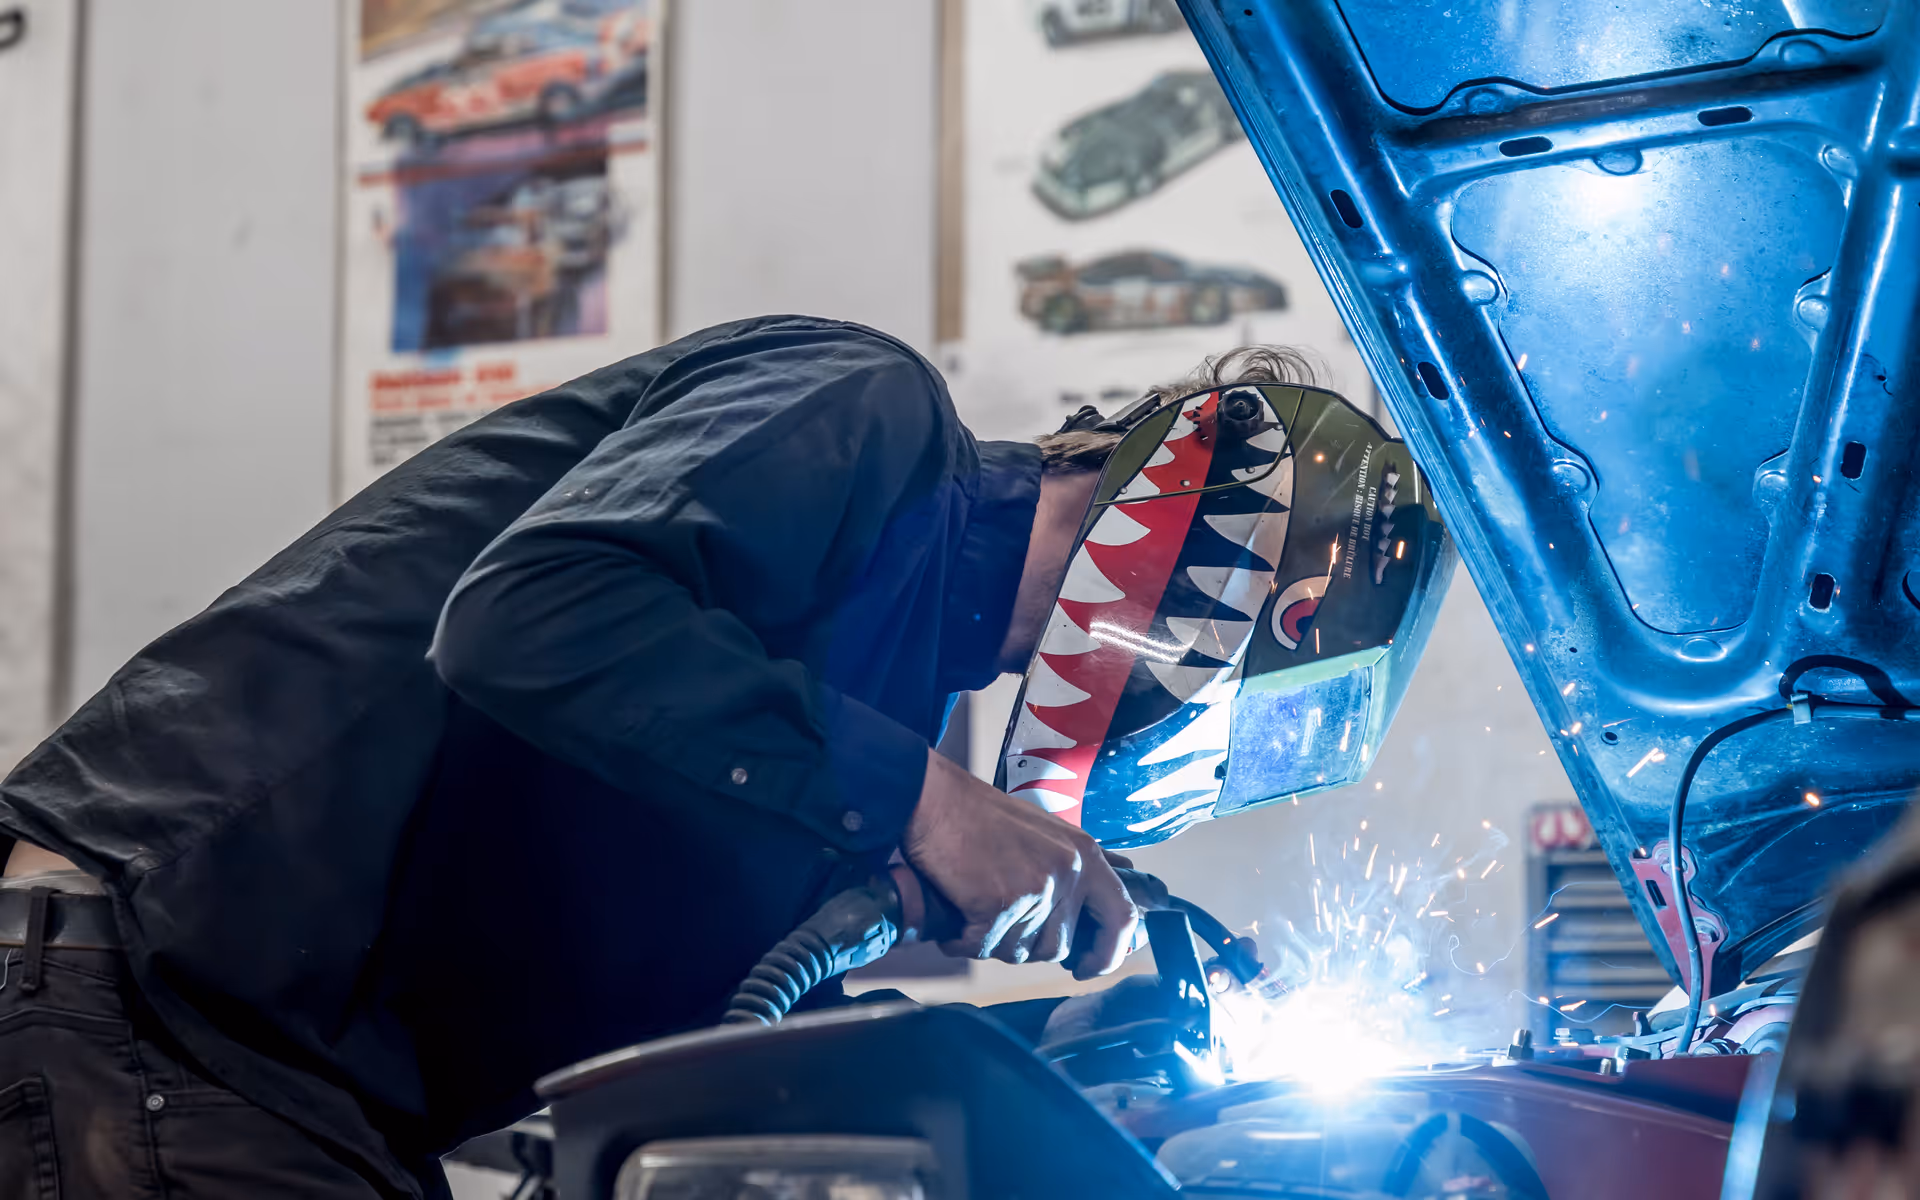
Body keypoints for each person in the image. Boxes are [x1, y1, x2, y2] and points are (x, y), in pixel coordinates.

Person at [0, 316, 1301, 1198]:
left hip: (286, 1079)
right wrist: (925, 803)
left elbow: (722, 1014)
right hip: (158, 998)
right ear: (1198, 530)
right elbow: (524, 616)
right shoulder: (867, 407)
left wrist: (1058, 1050)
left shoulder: (866, 702)